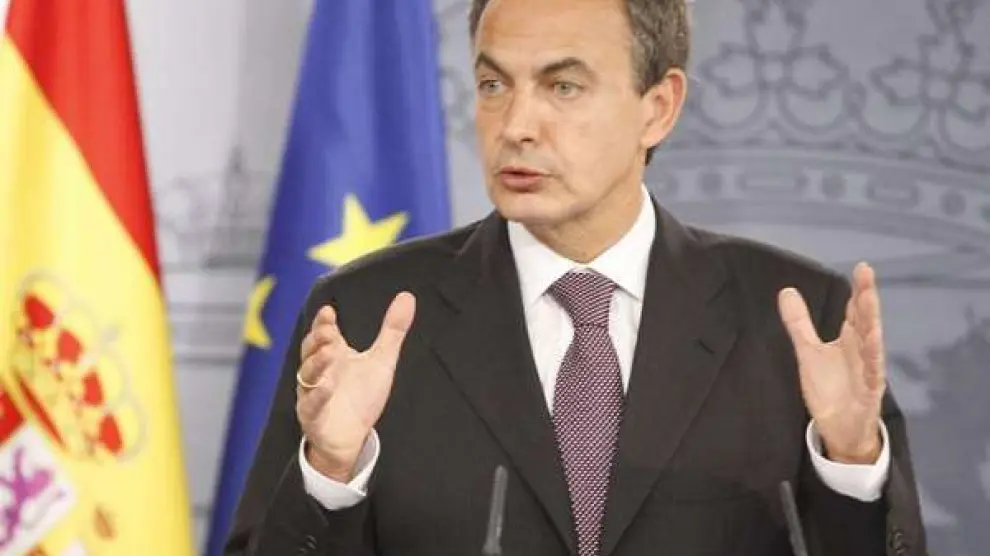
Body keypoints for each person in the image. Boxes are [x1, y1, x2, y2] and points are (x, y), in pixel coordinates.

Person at [225, 0, 928, 554]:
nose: (516, 125)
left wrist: (850, 465)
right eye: (494, 84)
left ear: (658, 107)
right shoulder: (364, 315)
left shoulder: (796, 320)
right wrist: (330, 472)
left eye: (562, 86)